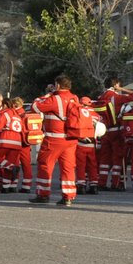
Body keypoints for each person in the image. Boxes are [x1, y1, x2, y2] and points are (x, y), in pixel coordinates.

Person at [32, 75, 81, 206]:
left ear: (58, 85)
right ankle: (68, 196)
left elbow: (36, 106)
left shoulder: (54, 99)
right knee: (68, 168)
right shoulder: (75, 98)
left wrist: (48, 94)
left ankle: (43, 194)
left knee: (45, 165)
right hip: (71, 138)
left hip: (54, 139)